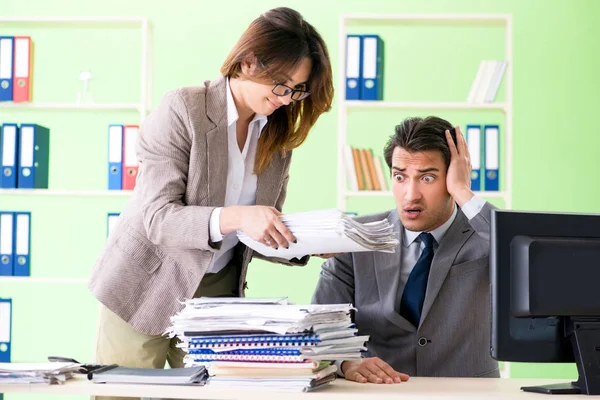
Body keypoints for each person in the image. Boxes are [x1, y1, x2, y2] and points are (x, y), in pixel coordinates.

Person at [88, 7, 333, 399]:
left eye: (296, 90)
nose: (287, 99)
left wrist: (311, 242)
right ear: (248, 60)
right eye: (281, 84)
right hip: (145, 283)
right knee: (123, 395)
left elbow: (256, 231)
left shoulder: (277, 138)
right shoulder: (184, 109)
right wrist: (237, 216)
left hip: (216, 294)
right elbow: (158, 218)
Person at [312, 116, 500, 383]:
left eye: (427, 178)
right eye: (400, 177)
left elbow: (524, 255)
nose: (411, 195)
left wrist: (462, 190)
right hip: (379, 392)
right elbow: (320, 323)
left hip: (469, 392)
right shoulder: (355, 237)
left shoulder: (484, 233)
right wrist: (345, 361)